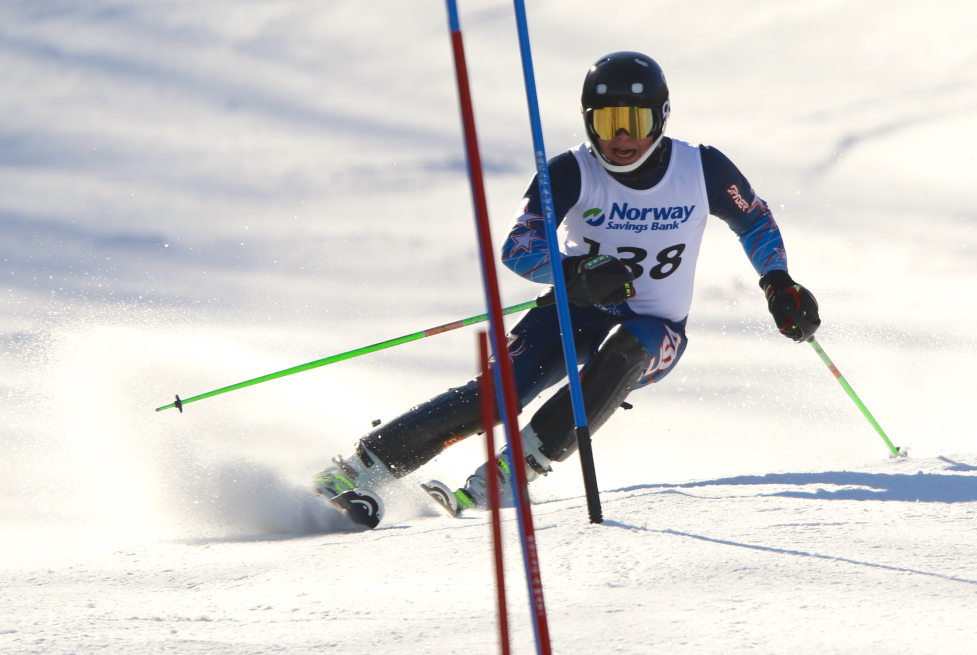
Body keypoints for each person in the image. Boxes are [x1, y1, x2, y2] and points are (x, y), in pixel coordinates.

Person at [313, 51, 820, 521]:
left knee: (626, 351)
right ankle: (361, 470)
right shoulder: (572, 170)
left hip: (657, 328)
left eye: (635, 121)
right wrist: (571, 273)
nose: (620, 137)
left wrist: (777, 282)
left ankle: (507, 476)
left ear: (660, 119)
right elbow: (519, 244)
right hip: (578, 307)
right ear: (587, 121)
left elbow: (754, 221)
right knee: (499, 392)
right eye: (605, 122)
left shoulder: (701, 167)